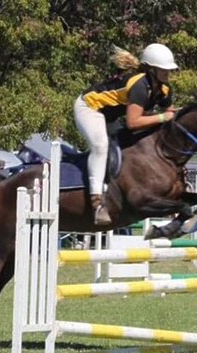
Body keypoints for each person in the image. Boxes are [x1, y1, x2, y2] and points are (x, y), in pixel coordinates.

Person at [74, 43, 178, 225]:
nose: (167, 74)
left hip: (110, 116)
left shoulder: (164, 89)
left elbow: (171, 115)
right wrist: (163, 117)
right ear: (151, 69)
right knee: (100, 146)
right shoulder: (139, 85)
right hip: (89, 107)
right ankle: (97, 202)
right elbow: (133, 122)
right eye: (163, 70)